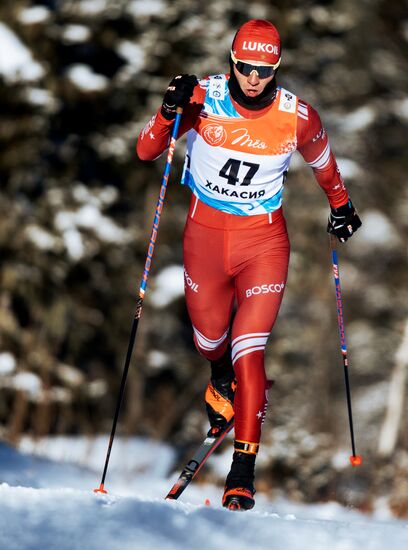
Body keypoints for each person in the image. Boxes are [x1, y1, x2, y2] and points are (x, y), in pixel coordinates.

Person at [137, 19, 361, 511]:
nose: (254, 78)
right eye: (245, 67)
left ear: (276, 67)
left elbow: (323, 160)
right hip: (205, 240)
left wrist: (341, 205)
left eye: (264, 69)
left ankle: (241, 473)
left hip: (264, 242)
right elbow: (146, 150)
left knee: (250, 348)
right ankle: (220, 381)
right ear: (231, 62)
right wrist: (168, 109)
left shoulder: (296, 116)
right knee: (209, 338)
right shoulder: (202, 99)